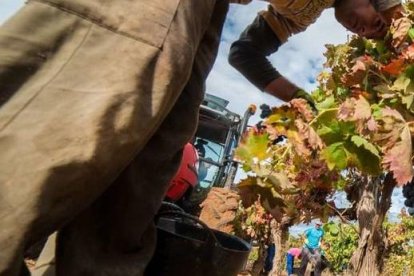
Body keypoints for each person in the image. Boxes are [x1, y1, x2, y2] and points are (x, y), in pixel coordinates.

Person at [0, 0, 238, 275]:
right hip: (160, 13)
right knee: (34, 168)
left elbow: (256, 45)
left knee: (119, 217)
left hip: (208, 16)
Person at [229, 0, 403, 104]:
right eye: (378, 23)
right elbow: (397, 18)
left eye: (364, 35)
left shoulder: (299, 18)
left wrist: (301, 99)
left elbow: (244, 55)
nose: (365, 32)